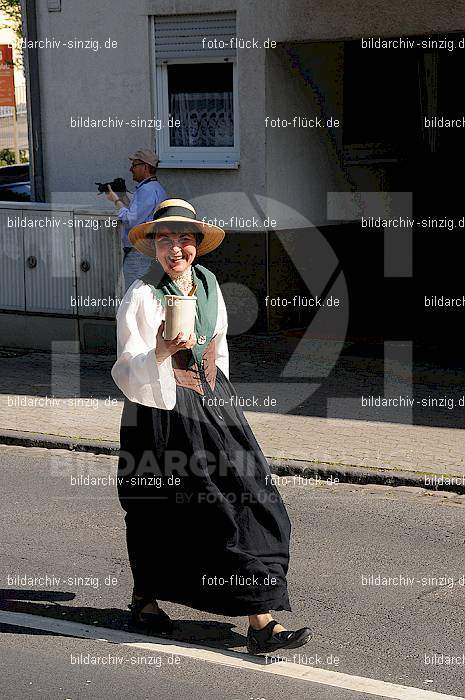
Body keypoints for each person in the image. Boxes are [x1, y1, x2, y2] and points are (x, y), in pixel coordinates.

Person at [111, 198, 311, 655]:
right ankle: (149, 601)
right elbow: (125, 370)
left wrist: (223, 400)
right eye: (165, 239)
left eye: (184, 239)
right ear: (153, 247)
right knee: (163, 509)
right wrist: (161, 351)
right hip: (158, 410)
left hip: (212, 403)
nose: (175, 248)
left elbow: (218, 349)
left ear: (197, 245)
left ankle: (260, 613)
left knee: (252, 497)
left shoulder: (209, 284)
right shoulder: (141, 294)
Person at [105, 148, 166, 291]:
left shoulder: (147, 190)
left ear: (145, 167)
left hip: (138, 252)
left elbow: (131, 220)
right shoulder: (154, 188)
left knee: (134, 294)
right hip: (147, 250)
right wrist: (124, 197)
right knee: (145, 294)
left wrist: (115, 200)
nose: (130, 169)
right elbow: (139, 214)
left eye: (134, 165)